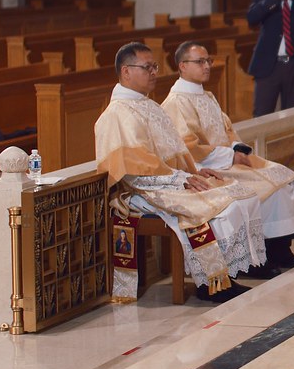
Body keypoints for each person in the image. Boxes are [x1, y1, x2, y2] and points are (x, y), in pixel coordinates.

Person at [95, 42, 267, 303]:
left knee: (238, 195)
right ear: (126, 71)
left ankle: (225, 276)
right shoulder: (116, 114)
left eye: (155, 67)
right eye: (147, 67)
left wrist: (196, 171)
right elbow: (133, 172)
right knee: (217, 207)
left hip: (170, 181)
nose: (154, 72)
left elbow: (174, 150)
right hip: (142, 191)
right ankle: (211, 283)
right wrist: (182, 179)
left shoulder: (149, 106)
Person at [162, 41, 294, 275]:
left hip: (227, 160)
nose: (207, 66)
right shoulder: (176, 102)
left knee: (286, 177)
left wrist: (236, 148)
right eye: (200, 62)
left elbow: (225, 129)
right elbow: (188, 147)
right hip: (208, 167)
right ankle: (255, 261)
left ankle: (280, 249)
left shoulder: (207, 95)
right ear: (182, 65)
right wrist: (230, 156)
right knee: (261, 188)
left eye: (208, 61)